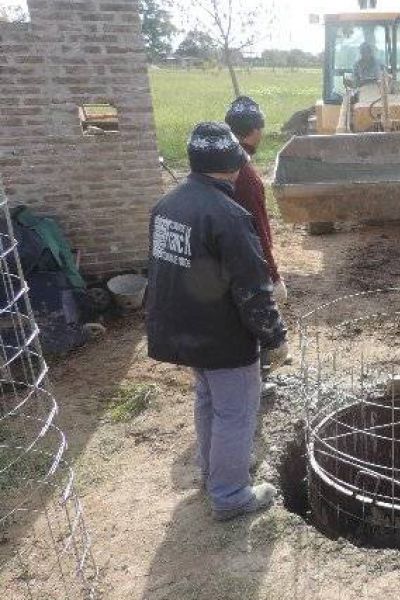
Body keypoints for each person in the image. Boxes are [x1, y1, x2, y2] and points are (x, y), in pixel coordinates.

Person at [145, 122, 290, 522]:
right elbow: (252, 290)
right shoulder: (228, 215)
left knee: (208, 401)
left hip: (186, 330)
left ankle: (213, 476)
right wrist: (275, 338)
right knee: (236, 412)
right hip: (222, 337)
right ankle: (230, 495)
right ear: (232, 166)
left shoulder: (167, 205)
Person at [224, 96, 286, 303]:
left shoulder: (219, 162)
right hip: (243, 263)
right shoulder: (246, 177)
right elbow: (256, 229)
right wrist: (274, 277)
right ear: (257, 130)